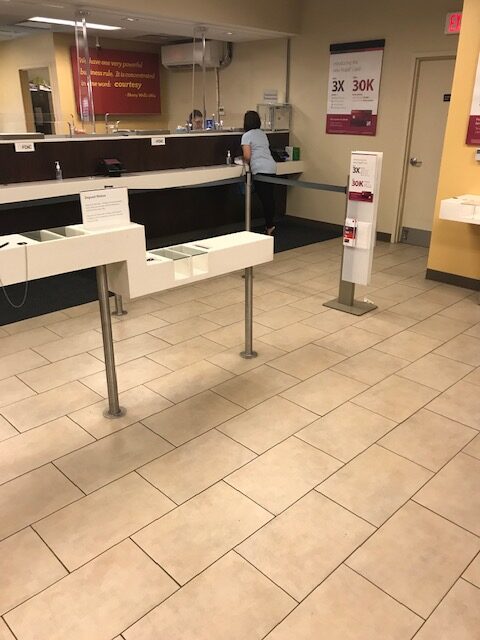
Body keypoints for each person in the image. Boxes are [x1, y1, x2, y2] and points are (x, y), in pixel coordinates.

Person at [241, 110, 277, 235]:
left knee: (265, 199)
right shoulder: (262, 134)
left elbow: (247, 155)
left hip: (260, 169)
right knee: (269, 198)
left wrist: (241, 160)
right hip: (271, 167)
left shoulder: (246, 136)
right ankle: (270, 224)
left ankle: (269, 226)